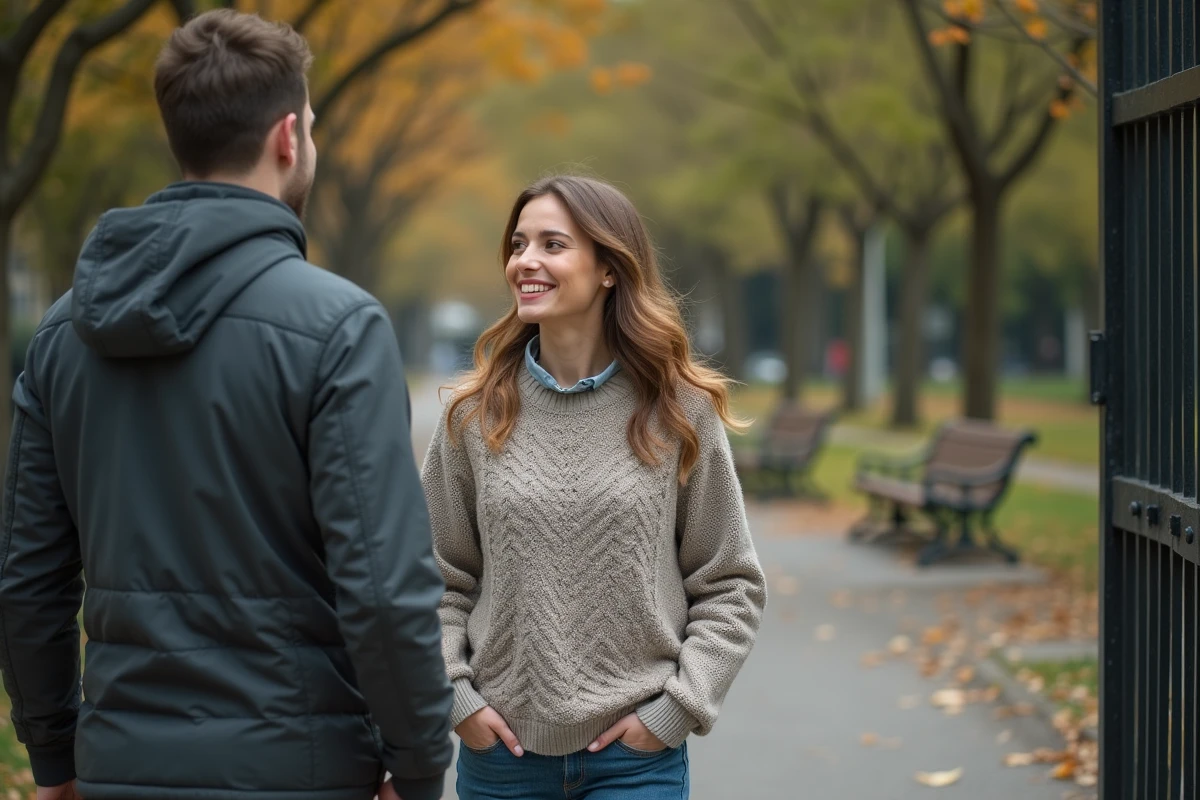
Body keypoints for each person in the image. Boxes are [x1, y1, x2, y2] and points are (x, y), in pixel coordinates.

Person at [0, 10, 452, 800]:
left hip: (119, 766)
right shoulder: (339, 327)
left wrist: (52, 754)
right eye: (312, 126)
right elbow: (382, 589)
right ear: (288, 138)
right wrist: (416, 765)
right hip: (301, 768)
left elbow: (30, 577)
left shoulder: (63, 334)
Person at [421, 175, 768, 799]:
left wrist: (676, 710)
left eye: (552, 244)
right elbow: (433, 578)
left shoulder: (678, 410)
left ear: (609, 268)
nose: (525, 260)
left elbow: (730, 583)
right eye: (519, 244)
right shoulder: (472, 416)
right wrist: (458, 698)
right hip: (502, 760)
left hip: (636, 765)